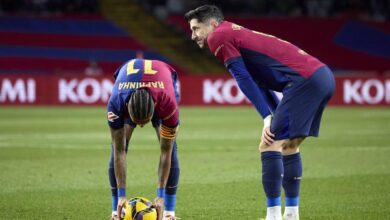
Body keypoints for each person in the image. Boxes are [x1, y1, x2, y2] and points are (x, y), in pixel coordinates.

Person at [185, 5, 335, 220]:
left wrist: (266, 119)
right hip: (322, 76)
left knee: (269, 143)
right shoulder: (235, 34)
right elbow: (259, 83)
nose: (193, 35)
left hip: (304, 80)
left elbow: (242, 78)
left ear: (213, 24)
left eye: (196, 28)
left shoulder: (218, 36)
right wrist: (272, 114)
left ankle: (273, 216)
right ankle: (292, 214)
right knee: (289, 145)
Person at [107, 58, 181, 220]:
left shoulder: (168, 106)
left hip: (163, 82)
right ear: (127, 111)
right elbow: (119, 152)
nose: (140, 126)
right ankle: (115, 211)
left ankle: (169, 213)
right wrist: (121, 196)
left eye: (144, 121)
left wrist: (160, 195)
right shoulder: (116, 103)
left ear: (154, 111)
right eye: (136, 122)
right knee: (118, 147)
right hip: (126, 84)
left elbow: (165, 152)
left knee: (170, 147)